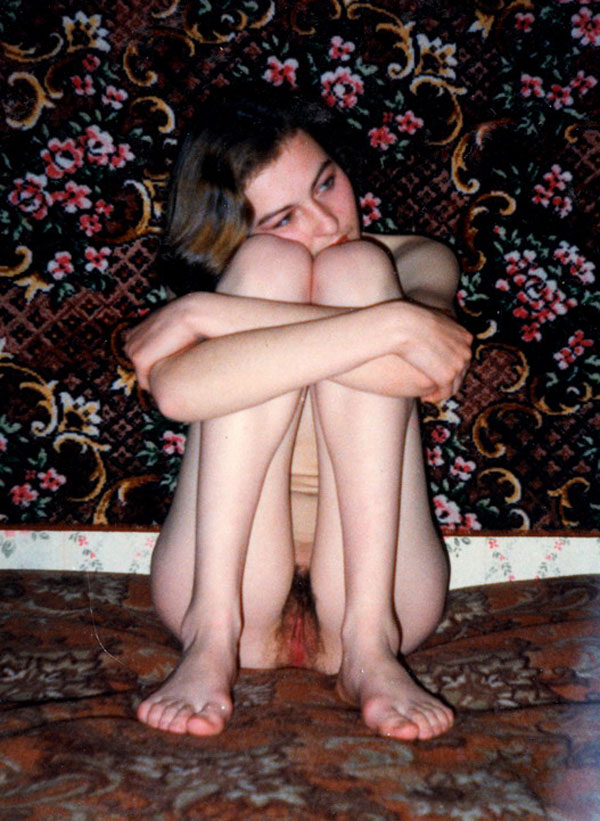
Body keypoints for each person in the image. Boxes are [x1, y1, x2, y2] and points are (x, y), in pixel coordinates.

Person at [125, 90, 472, 741]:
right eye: (283, 215)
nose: (326, 221)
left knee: (357, 266)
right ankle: (210, 638)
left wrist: (201, 315)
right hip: (224, 582)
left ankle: (370, 648)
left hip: (389, 592)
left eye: (326, 182)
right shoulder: (243, 270)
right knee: (269, 265)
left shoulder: (416, 260)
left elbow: (427, 371)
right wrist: (393, 326)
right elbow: (175, 393)